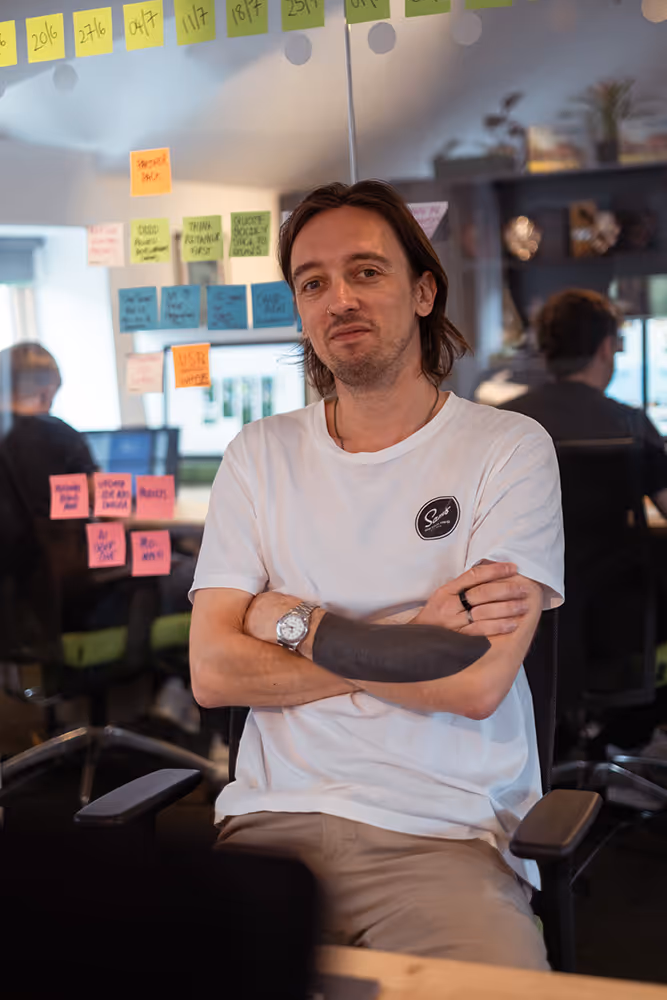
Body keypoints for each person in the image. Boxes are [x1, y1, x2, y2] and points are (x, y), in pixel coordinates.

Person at [189, 181, 563, 970]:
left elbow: (472, 684)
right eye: (313, 282)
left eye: (366, 272)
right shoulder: (258, 455)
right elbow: (214, 672)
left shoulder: (508, 448)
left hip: (445, 838)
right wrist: (409, 642)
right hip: (269, 828)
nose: (338, 300)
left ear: (423, 290)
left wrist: (290, 623)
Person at [499, 289, 667, 517]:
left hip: (532, 554)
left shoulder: (504, 422)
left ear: (547, 352)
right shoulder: (632, 424)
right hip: (615, 552)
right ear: (606, 348)